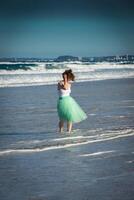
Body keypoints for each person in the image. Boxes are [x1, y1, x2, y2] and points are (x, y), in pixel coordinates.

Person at [57, 69, 87, 133]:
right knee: (61, 118)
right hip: (62, 101)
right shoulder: (60, 83)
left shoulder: (69, 84)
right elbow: (64, 87)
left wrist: (66, 80)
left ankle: (69, 131)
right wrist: (65, 79)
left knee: (69, 118)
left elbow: (66, 87)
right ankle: (60, 131)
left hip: (69, 101)